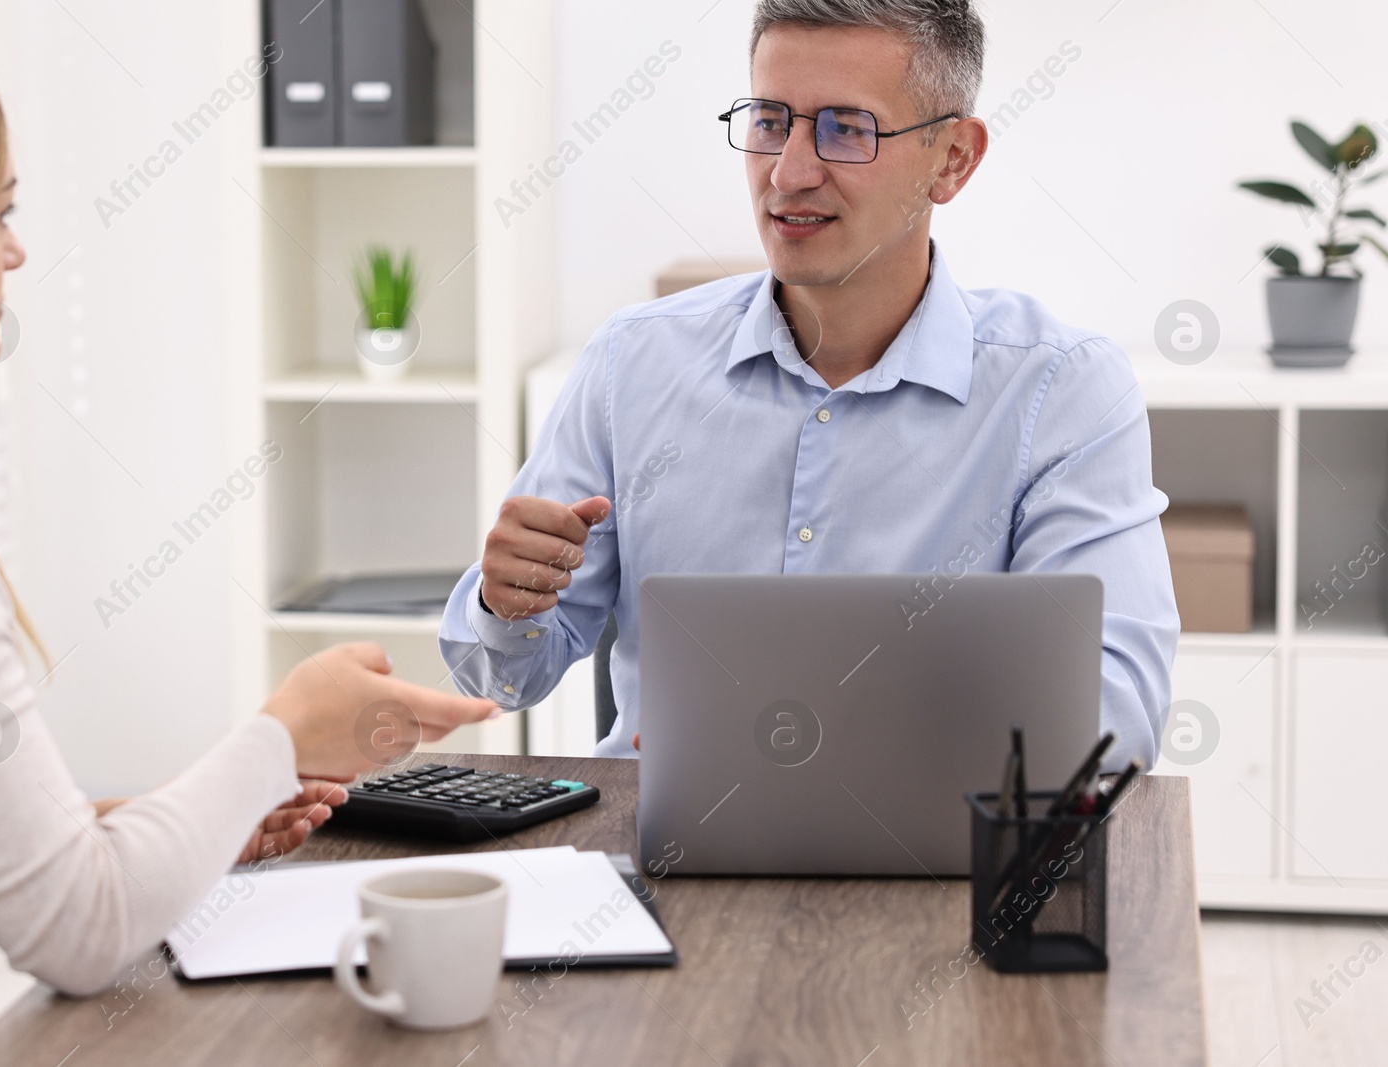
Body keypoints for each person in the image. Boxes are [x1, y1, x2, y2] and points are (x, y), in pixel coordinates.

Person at [0, 21, 497, 1066]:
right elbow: (76, 930)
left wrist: (181, 821)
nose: (18, 250)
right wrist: (283, 734)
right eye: (4, 211)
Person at [440, 0, 1179, 769]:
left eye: (846, 129)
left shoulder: (1060, 391)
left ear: (953, 158)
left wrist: (828, 737)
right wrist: (506, 603)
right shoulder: (633, 361)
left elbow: (1112, 718)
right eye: (769, 121)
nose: (789, 173)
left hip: (930, 858)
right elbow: (501, 677)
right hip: (654, 850)